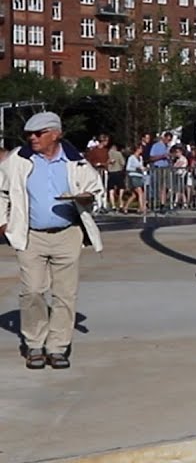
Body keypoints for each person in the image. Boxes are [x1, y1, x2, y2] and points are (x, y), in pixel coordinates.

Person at [0, 113, 105, 370]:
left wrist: (86, 198)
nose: (32, 138)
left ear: (55, 134)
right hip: (31, 235)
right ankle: (35, 343)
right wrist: (3, 223)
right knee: (33, 290)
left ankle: (57, 347)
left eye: (38, 133)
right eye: (29, 134)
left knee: (65, 294)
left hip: (67, 234)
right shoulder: (18, 159)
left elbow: (97, 192)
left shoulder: (76, 161)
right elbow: (1, 191)